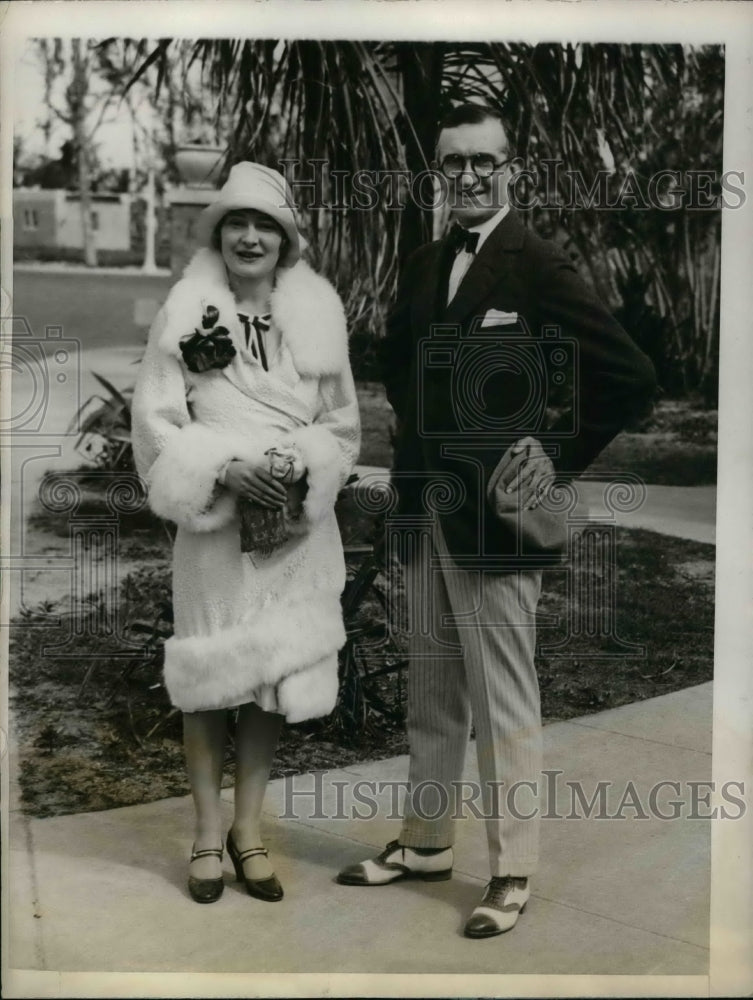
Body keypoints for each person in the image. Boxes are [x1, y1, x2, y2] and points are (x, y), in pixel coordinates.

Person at [336, 104, 656, 937]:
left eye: (485, 161)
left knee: (503, 699)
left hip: (497, 519)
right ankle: (425, 843)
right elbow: (400, 374)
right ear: (436, 175)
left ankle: (511, 869)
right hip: (424, 512)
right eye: (454, 165)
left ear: (511, 168)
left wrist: (552, 451)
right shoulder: (420, 264)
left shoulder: (536, 263)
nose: (469, 176)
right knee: (433, 692)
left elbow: (628, 375)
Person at [132, 162, 360, 904]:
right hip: (214, 524)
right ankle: (205, 834)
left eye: (266, 225)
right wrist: (221, 468)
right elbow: (157, 423)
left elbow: (342, 425)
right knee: (208, 678)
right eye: (238, 223)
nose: (252, 236)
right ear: (220, 232)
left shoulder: (318, 317)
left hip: (292, 528)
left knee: (268, 677)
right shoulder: (186, 311)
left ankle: (249, 830)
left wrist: (305, 462)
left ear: (286, 240)